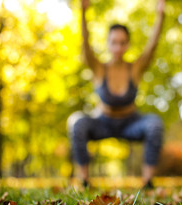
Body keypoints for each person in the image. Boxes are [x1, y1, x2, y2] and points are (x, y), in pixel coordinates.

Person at [68, 0, 165, 188]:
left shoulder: (135, 69)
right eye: (114, 42)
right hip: (102, 123)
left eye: (122, 43)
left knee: (155, 123)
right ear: (107, 43)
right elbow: (85, 44)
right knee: (77, 122)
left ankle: (147, 182)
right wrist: (83, 13)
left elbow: (152, 46)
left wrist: (160, 15)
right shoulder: (99, 68)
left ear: (128, 44)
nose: (118, 47)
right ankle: (84, 179)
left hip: (131, 123)